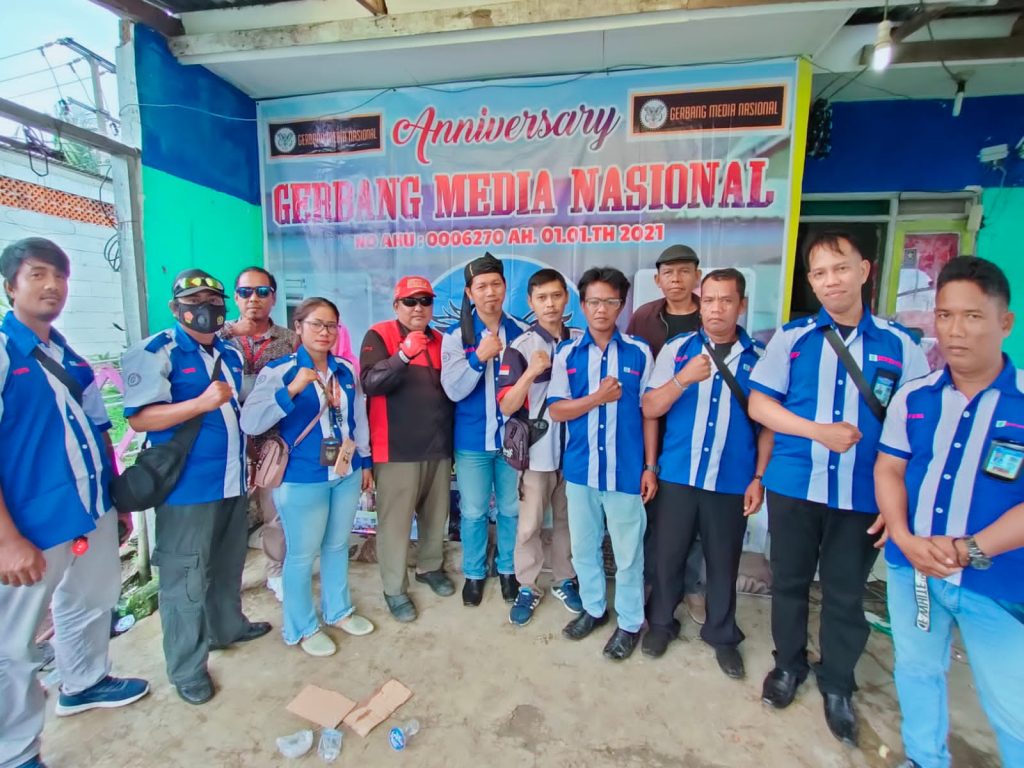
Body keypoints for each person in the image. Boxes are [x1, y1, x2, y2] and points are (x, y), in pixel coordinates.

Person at [748, 231, 929, 746]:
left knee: (845, 592)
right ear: (811, 281)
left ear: (865, 271)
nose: (831, 281)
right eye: (820, 273)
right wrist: (816, 431)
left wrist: (899, 504)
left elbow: (917, 431)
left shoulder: (900, 345)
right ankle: (788, 665)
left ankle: (838, 684)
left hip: (862, 495)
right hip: (795, 485)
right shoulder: (792, 338)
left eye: (841, 268)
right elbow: (761, 405)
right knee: (788, 581)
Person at [0, 238, 149, 768]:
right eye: (38, 274)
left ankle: (83, 682)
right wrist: (7, 539)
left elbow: (99, 432)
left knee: (90, 599)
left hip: (90, 508)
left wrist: (117, 502)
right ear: (10, 286)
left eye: (60, 276)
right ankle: (15, 751)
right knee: (13, 646)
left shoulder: (68, 356)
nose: (52, 286)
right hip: (31, 523)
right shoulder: (5, 352)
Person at [875, 257, 1023, 768]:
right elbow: (889, 469)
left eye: (972, 316)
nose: (955, 331)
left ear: (1005, 322)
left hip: (997, 582)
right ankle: (923, 758)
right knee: (917, 670)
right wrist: (902, 535)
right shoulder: (915, 398)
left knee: (1012, 706)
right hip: (913, 570)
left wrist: (969, 550)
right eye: (944, 315)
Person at [122, 269, 271, 705]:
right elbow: (140, 418)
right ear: (176, 308)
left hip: (230, 481)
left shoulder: (228, 352)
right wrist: (200, 403)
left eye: (212, 301)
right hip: (186, 489)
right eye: (194, 302)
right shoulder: (157, 351)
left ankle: (227, 627)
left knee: (227, 564)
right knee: (185, 579)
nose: (205, 308)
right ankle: (187, 668)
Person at [640, 269, 773, 679]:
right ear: (701, 305)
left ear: (741, 305)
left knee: (722, 562)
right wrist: (682, 379)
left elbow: (769, 425)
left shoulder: (759, 358)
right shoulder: (678, 350)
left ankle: (722, 633)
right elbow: (650, 407)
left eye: (726, 300)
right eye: (710, 300)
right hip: (678, 475)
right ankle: (661, 622)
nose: (717, 309)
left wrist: (759, 478)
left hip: (731, 480)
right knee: (667, 556)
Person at [241, 298, 374, 657]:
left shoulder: (345, 371)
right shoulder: (280, 371)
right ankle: (300, 627)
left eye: (331, 325)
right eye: (316, 324)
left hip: (344, 471)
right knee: (301, 555)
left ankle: (338, 611)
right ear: (298, 327)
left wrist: (365, 461)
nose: (325, 332)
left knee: (337, 545)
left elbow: (358, 418)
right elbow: (251, 422)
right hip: (302, 476)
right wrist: (292, 390)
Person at [548, 267, 659, 660]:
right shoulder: (567, 353)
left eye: (609, 301)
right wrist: (596, 398)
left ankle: (629, 622)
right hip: (581, 471)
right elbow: (557, 410)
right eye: (593, 301)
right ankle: (594, 609)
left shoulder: (638, 352)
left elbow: (649, 413)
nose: (601, 309)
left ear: (621, 305)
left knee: (629, 556)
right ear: (582, 305)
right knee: (584, 548)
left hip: (626, 473)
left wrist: (650, 467)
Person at [360, 276, 455, 622]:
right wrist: (403, 354)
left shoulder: (442, 340)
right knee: (395, 525)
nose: (418, 308)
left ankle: (429, 567)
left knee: (435, 518)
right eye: (410, 301)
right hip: (396, 450)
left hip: (438, 447)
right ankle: (394, 588)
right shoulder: (379, 334)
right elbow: (370, 383)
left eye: (425, 301)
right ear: (396, 305)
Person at [496, 268, 583, 626]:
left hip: (577, 451)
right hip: (537, 453)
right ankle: (528, 586)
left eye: (556, 296)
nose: (550, 304)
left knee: (569, 521)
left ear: (566, 299)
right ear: (530, 302)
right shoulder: (520, 347)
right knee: (529, 525)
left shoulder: (581, 342)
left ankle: (564, 579)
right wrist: (531, 373)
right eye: (542, 298)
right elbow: (506, 405)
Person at [441, 254, 528, 607]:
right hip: (473, 440)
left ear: (505, 287)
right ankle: (474, 573)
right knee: (474, 511)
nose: (490, 292)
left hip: (513, 439)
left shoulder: (522, 332)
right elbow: (453, 390)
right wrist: (479, 357)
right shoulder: (455, 336)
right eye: (481, 286)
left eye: (496, 284)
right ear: (469, 292)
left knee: (510, 509)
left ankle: (508, 569)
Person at [627, 244, 706, 624]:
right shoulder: (644, 317)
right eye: (669, 273)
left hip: (697, 428)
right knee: (651, 512)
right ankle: (648, 581)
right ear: (658, 280)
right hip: (652, 426)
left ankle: (691, 586)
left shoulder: (709, 315)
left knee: (695, 517)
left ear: (697, 277)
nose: (676, 279)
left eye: (684, 271)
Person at [219, 266, 298, 602]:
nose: (254, 299)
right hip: (224, 444)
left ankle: (276, 572)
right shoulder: (216, 338)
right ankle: (225, 581)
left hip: (271, 443)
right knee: (226, 518)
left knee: (275, 514)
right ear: (236, 298)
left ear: (273, 298)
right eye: (246, 292)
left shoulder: (290, 341)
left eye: (262, 292)